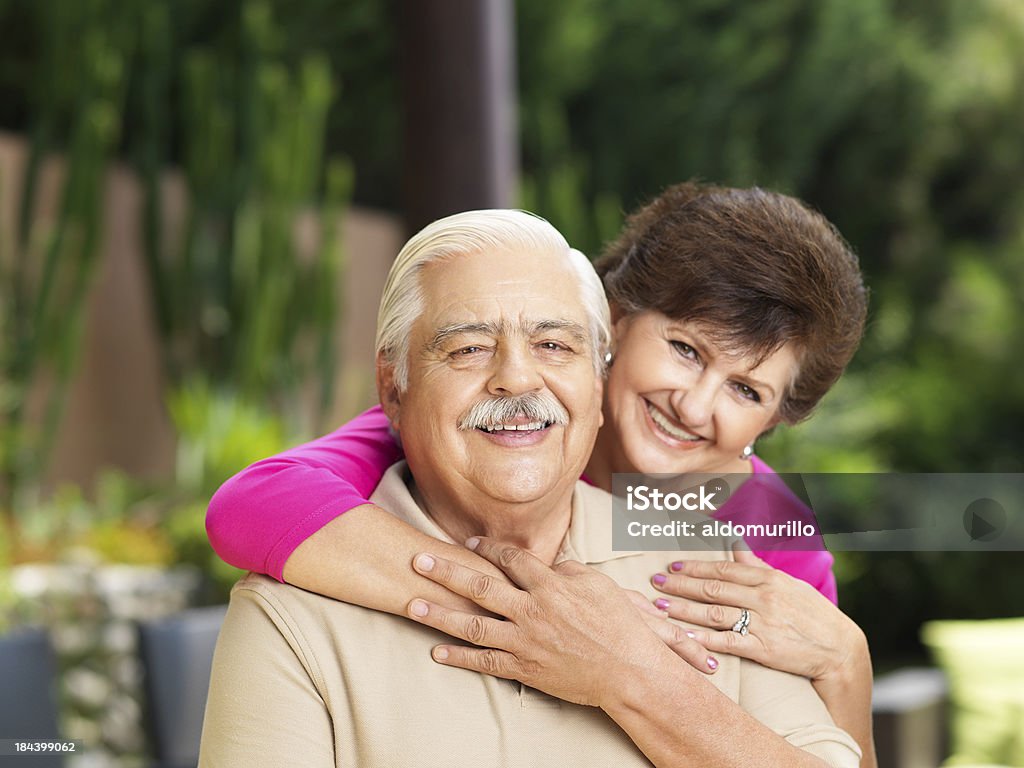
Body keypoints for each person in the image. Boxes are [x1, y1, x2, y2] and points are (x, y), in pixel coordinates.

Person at [206, 184, 874, 761]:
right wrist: (525, 606)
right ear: (611, 326)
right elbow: (250, 506)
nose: (694, 406)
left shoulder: (758, 528)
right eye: (684, 350)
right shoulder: (470, 426)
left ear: (773, 424)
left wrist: (849, 665)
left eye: (747, 391)